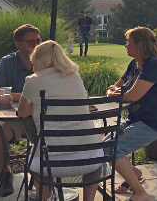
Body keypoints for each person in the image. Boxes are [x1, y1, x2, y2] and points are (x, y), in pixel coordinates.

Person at [19, 40, 100, 201]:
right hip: (90, 158)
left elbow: (22, 113)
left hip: (50, 163)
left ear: (38, 60)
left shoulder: (33, 80)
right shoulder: (75, 76)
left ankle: (45, 197)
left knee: (34, 160)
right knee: (96, 162)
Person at [105, 27, 157, 201]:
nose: (126, 45)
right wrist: (114, 92)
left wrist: (115, 93)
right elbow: (115, 87)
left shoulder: (153, 65)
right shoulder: (134, 64)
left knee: (110, 148)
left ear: (140, 45)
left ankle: (140, 193)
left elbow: (132, 95)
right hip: (136, 119)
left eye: (129, 42)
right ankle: (134, 174)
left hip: (154, 122)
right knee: (104, 147)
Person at [0, 24, 41, 196]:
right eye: (30, 41)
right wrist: (20, 96)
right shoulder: (7, 62)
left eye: (38, 40)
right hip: (13, 118)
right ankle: (6, 172)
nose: (35, 45)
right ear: (18, 43)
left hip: (40, 118)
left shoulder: (46, 61)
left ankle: (44, 179)